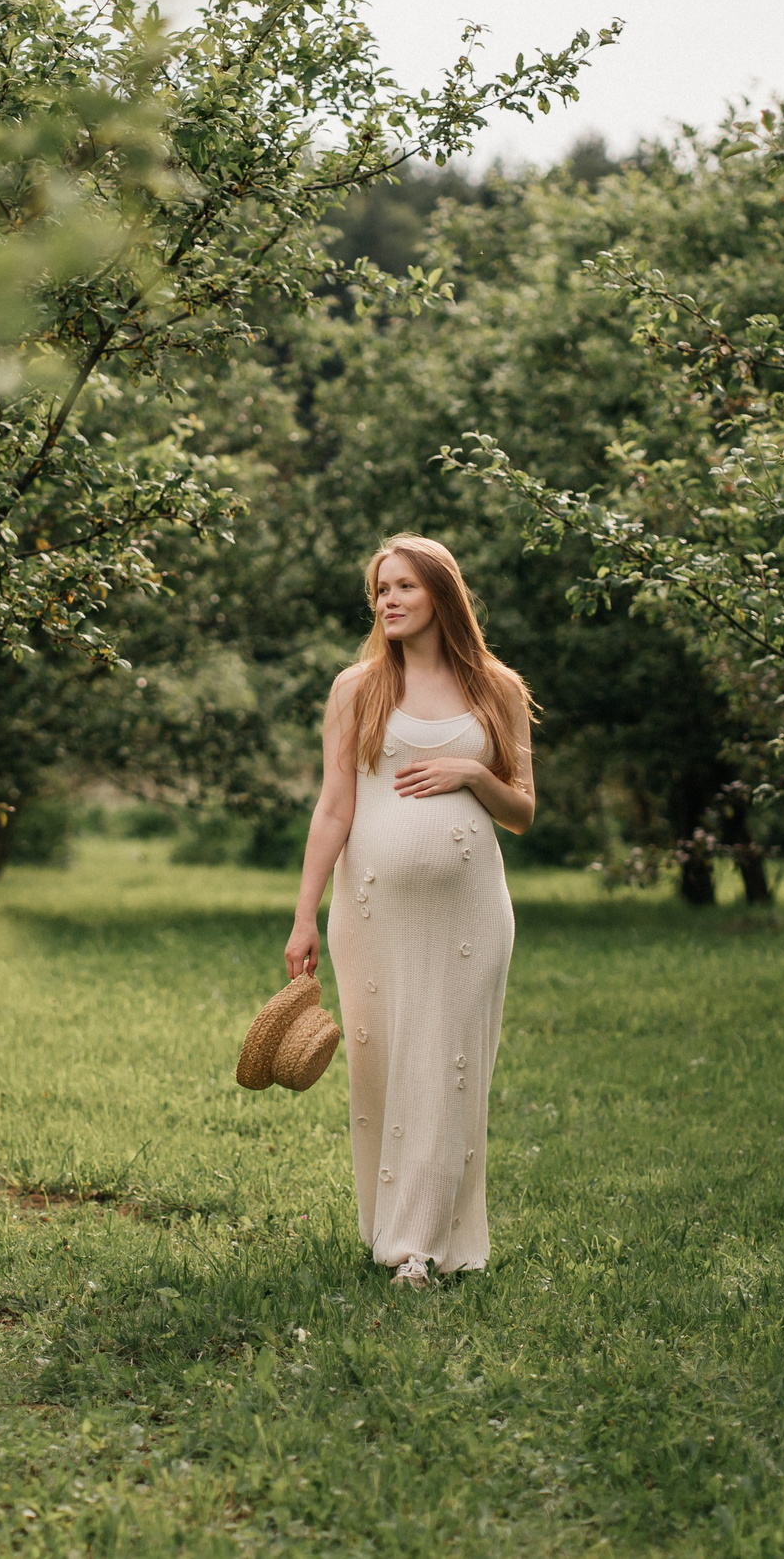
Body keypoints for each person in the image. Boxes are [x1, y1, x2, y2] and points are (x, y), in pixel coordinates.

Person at [285, 534, 536, 1289]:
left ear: (441, 593)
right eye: (379, 590)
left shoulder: (498, 689)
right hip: (370, 915)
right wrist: (303, 915)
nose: (387, 600)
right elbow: (334, 808)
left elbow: (522, 811)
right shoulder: (356, 688)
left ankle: (419, 1248)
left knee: (448, 1067)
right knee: (385, 1069)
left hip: (471, 916)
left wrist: (469, 770)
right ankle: (391, 1228)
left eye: (402, 586)